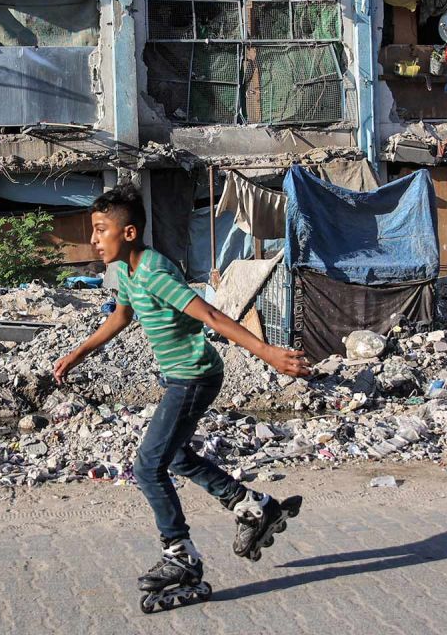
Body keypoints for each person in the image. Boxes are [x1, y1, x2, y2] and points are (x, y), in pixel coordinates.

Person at [53, 183, 309, 609]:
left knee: (148, 465)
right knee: (175, 457)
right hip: (181, 376)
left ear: (129, 233)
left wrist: (268, 354)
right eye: (93, 230)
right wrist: (77, 353)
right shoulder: (128, 273)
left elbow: (208, 313)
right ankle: (252, 505)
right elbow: (121, 315)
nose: (94, 240)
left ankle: (180, 555)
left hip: (194, 376)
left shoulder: (154, 270)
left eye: (101, 230)